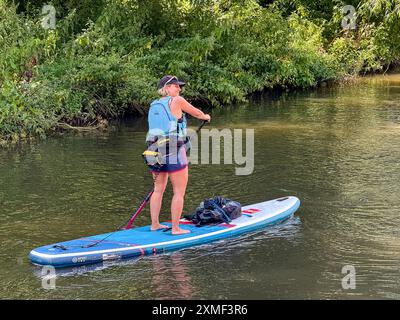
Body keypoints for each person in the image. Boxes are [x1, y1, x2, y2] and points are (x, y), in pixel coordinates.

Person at [146, 75, 211, 235]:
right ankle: (175, 228)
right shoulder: (177, 100)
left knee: (158, 189)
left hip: (153, 149)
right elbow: (196, 113)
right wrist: (206, 117)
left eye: (179, 86)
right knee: (179, 192)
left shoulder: (154, 104)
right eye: (176, 86)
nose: (179, 89)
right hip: (173, 148)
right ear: (166, 88)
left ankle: (155, 224)